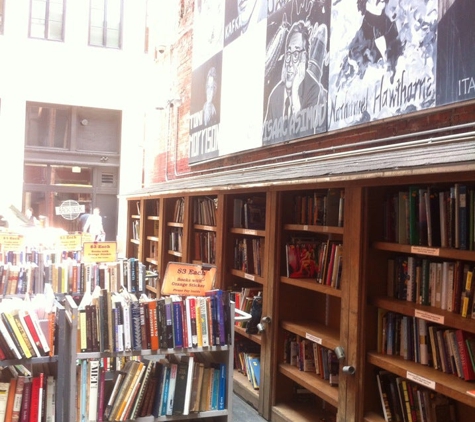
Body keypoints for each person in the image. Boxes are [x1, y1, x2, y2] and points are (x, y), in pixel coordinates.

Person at [263, 20, 326, 144]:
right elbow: (265, 144)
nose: (290, 62)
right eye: (288, 53)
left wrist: (295, 95)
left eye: (296, 54)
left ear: (305, 57)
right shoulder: (275, 95)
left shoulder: (313, 90)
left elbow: (306, 142)